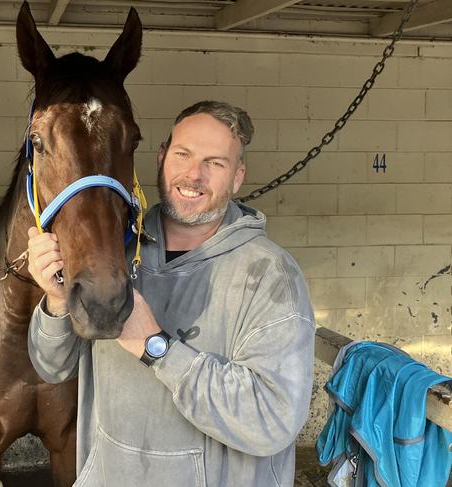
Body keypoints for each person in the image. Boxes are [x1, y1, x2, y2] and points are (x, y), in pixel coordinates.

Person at [26, 100, 315, 487]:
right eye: (183, 154)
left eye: (215, 163)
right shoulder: (118, 251)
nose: (193, 175)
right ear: (162, 157)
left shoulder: (270, 276)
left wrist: (155, 346)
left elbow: (271, 419)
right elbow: (53, 367)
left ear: (237, 177)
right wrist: (57, 301)